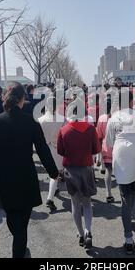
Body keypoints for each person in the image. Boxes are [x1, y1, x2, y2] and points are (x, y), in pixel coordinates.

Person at [0, 83, 58, 258]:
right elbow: (43, 150)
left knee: (13, 220)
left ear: (5, 99)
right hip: (25, 176)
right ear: (22, 100)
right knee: (22, 224)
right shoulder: (31, 122)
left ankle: (19, 247)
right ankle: (19, 249)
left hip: (3, 179)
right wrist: (54, 173)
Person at [106, 90, 135, 255]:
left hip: (121, 158)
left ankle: (128, 238)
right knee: (132, 193)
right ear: (131, 102)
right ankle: (129, 223)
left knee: (125, 197)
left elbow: (109, 142)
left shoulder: (113, 118)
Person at [57, 106, 101, 250]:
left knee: (75, 204)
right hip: (86, 168)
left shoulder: (64, 130)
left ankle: (81, 234)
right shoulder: (90, 129)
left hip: (71, 169)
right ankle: (88, 230)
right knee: (87, 203)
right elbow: (96, 149)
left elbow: (60, 151)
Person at [38, 96, 66, 212]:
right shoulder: (62, 119)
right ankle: (50, 198)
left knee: (52, 173)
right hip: (57, 147)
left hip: (45, 148)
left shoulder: (40, 120)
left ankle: (53, 192)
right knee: (55, 174)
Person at [96, 99, 115, 203]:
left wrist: (98, 153)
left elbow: (99, 135)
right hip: (118, 148)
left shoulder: (101, 118)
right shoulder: (118, 117)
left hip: (106, 148)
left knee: (108, 170)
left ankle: (108, 193)